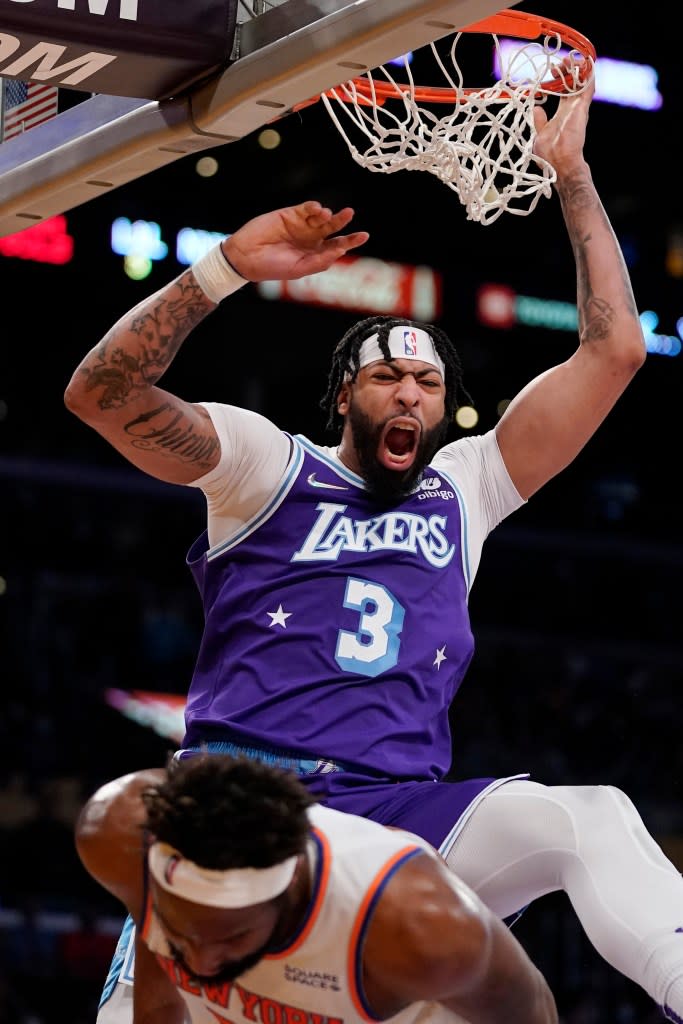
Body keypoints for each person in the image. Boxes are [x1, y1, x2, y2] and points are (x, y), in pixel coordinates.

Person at [64, 64, 683, 1023]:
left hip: (400, 818)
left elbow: (614, 352)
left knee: (587, 815)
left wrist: (569, 173)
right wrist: (224, 268)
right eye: (386, 375)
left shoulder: (468, 486)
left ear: (443, 407)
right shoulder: (269, 468)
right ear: (344, 396)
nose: (407, 393)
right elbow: (100, 397)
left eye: (426, 384)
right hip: (246, 806)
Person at [75, 752, 559, 1024]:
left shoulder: (421, 926)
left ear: (287, 892)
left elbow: (533, 1012)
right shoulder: (122, 840)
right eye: (182, 938)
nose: (201, 965)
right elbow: (160, 1006)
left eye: (230, 938)